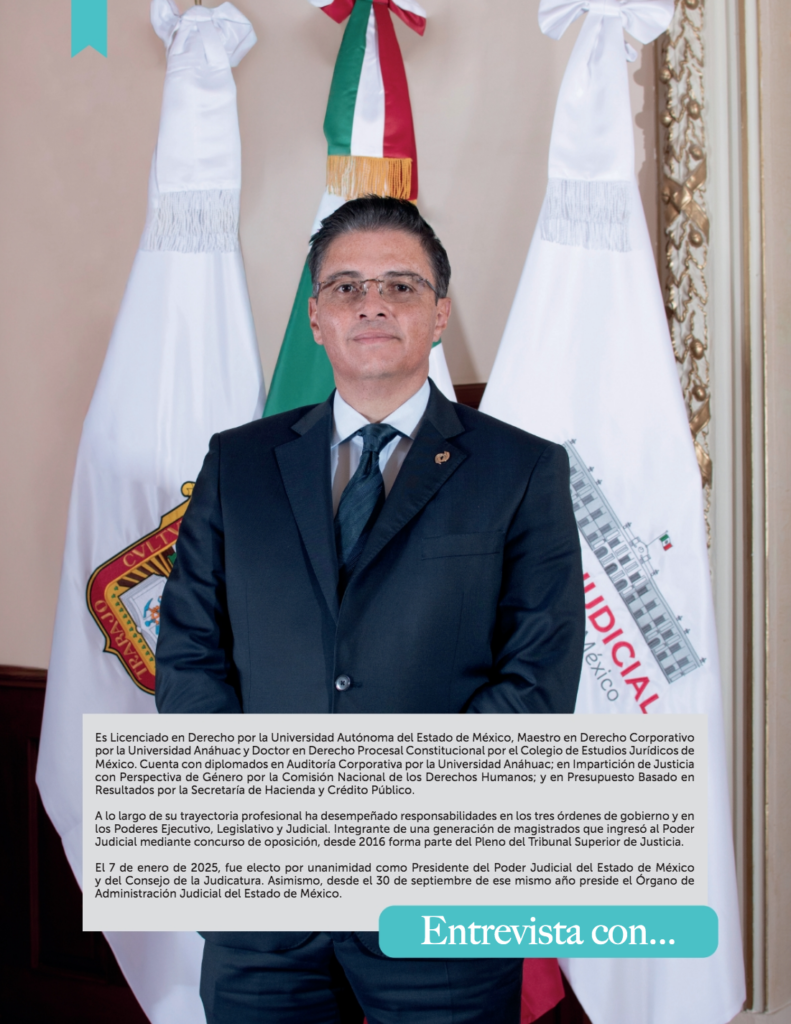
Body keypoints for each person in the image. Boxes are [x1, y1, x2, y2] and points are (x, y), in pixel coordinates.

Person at [156, 196, 585, 1024]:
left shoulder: (522, 469)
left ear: (438, 314)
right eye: (346, 287)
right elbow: (189, 653)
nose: (372, 304)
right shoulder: (238, 462)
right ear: (316, 318)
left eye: (399, 285)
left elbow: (535, 679)